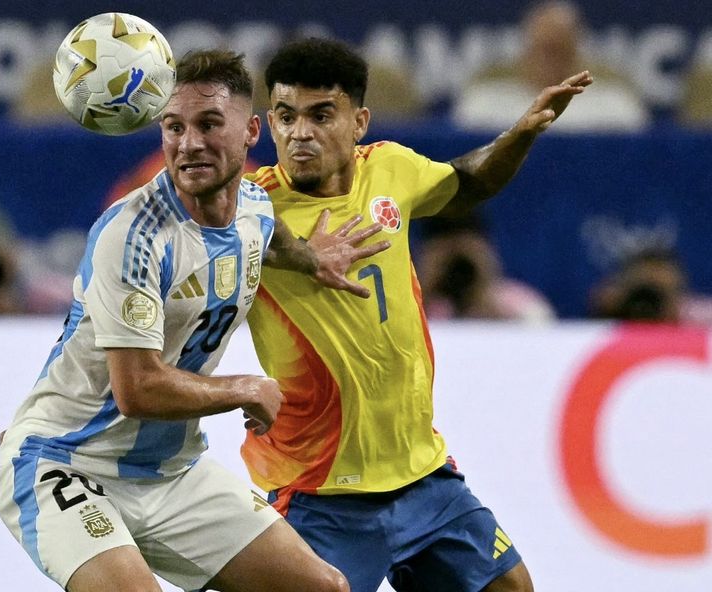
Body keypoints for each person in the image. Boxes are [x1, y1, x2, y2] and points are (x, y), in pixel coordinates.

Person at [0, 49, 390, 592]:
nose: (189, 143)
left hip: (172, 472)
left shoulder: (253, 205)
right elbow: (136, 389)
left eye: (208, 124)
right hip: (67, 462)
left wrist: (312, 257)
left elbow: (267, 237)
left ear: (252, 131)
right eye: (173, 126)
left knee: (324, 588)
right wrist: (244, 389)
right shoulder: (132, 236)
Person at [240, 37, 591, 592]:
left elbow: (466, 181)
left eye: (320, 114)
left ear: (359, 121)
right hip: (322, 493)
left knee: (513, 587)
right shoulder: (252, 210)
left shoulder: (390, 167)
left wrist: (519, 135)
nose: (299, 133)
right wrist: (235, 388)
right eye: (284, 116)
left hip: (422, 477)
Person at [453, 1, 647, 133]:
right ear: (527, 49)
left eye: (559, 51)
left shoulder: (613, 104)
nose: (550, 62)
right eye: (543, 50)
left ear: (576, 51)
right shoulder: (486, 101)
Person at [417, 215, 556, 322]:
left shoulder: (519, 305)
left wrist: (487, 302)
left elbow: (544, 335)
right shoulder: (413, 305)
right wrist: (423, 294)